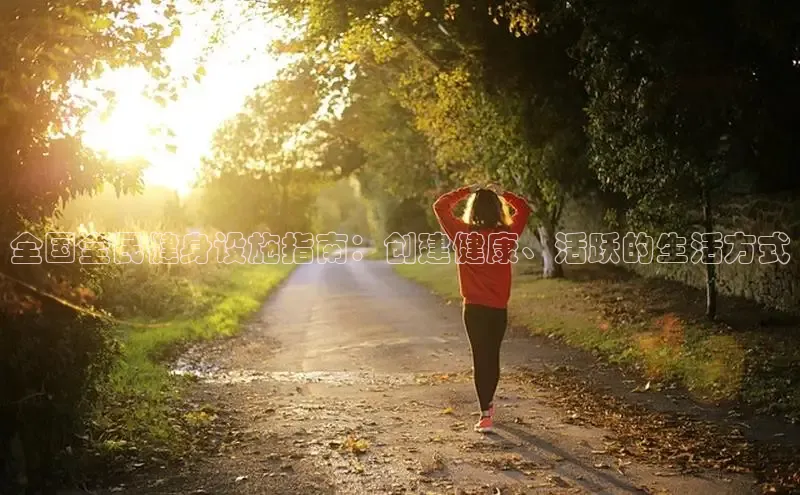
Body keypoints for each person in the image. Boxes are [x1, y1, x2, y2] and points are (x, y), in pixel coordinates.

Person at [432, 183, 532, 433]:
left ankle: (485, 412)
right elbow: (524, 209)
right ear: (498, 210)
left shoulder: (462, 235)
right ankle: (488, 405)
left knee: (480, 357)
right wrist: (504, 193)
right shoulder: (506, 235)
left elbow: (440, 206)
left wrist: (466, 190)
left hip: (474, 309)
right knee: (492, 356)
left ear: (473, 209)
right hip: (498, 309)